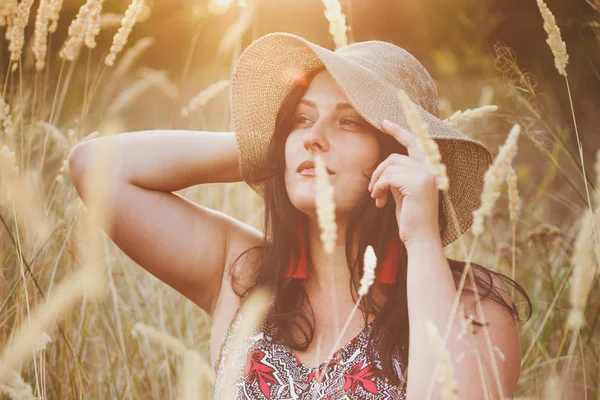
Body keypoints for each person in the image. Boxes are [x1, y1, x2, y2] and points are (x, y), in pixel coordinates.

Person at [69, 32, 532, 399]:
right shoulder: (245, 275)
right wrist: (268, 148)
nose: (314, 137)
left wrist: (423, 240)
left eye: (349, 121)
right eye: (302, 119)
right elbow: (96, 168)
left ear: (400, 154)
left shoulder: (473, 311)